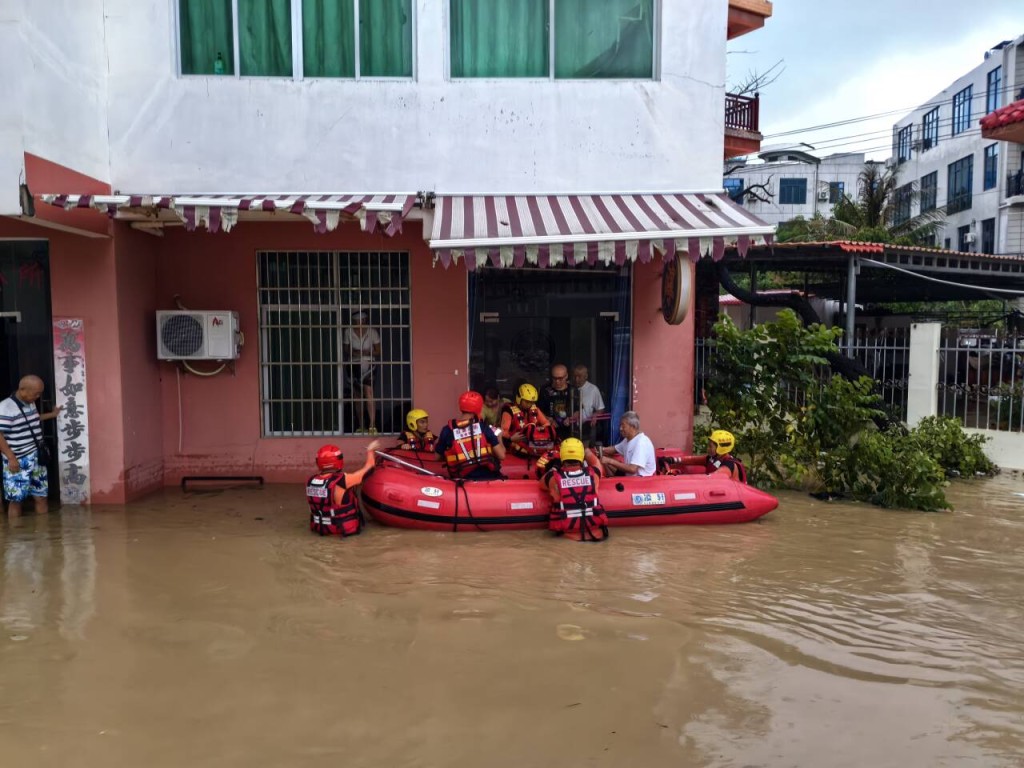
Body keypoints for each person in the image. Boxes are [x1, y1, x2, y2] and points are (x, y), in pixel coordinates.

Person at [0, 375, 61, 519]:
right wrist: (11, 457)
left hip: (36, 457)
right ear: (22, 390)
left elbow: (32, 419)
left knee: (41, 496)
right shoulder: (5, 408)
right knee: (16, 500)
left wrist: (52, 414)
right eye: (36, 393)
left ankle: (43, 535)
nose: (38, 397)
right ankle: (15, 538)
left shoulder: (30, 402)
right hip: (18, 460)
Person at [306, 439, 381, 536]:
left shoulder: (310, 481)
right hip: (342, 531)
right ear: (338, 460)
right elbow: (369, 469)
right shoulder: (342, 480)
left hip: (320, 529)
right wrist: (370, 451)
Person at [541, 438, 608, 542]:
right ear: (581, 456)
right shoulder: (593, 474)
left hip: (570, 539)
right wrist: (587, 451)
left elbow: (541, 483)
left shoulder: (553, 479)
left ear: (562, 456)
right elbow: (597, 464)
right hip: (597, 535)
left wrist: (555, 467)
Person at [435, 391, 506, 480]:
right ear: (479, 408)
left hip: (461, 480)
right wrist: (499, 438)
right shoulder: (483, 428)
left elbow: (437, 457)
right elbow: (501, 456)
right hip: (488, 478)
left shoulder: (447, 430)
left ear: (461, 406)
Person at [343, 310, 381, 435]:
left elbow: (378, 351)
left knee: (369, 392)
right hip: (354, 364)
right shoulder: (348, 331)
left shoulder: (372, 331)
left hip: (369, 363)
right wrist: (355, 353)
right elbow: (346, 349)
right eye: (359, 321)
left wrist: (366, 353)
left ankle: (372, 425)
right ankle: (361, 425)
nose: (361, 323)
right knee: (357, 395)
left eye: (363, 320)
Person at [667, 430, 747, 481]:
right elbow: (693, 460)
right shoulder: (713, 458)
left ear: (720, 448)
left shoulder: (728, 465)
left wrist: (682, 475)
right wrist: (672, 460)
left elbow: (713, 478)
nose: (707, 448)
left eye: (710, 446)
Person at [599, 411, 656, 477]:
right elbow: (614, 449)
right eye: (620, 425)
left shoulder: (641, 443)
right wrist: (601, 450)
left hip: (641, 481)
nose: (620, 428)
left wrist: (610, 461)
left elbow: (632, 469)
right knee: (605, 461)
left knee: (608, 462)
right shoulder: (627, 440)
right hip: (629, 476)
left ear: (633, 427)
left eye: (623, 426)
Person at [500, 383, 550, 456]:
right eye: (526, 402)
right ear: (519, 398)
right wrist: (511, 438)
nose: (529, 404)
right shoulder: (508, 410)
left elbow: (546, 423)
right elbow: (504, 432)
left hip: (534, 442)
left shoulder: (534, 409)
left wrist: (539, 431)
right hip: (516, 443)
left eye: (532, 402)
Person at [539, 363, 579, 440]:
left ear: (566, 376)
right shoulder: (545, 390)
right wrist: (548, 419)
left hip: (569, 432)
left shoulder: (573, 390)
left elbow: (578, 410)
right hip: (549, 432)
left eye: (560, 378)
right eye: (554, 378)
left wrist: (571, 419)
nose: (557, 381)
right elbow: (538, 410)